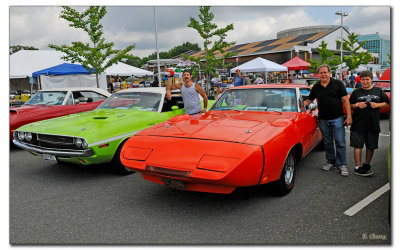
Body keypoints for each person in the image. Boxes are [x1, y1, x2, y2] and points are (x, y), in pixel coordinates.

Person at [304, 64, 352, 176]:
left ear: (330, 73)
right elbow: (309, 100)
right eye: (321, 73)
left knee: (340, 142)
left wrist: (349, 116)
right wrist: (297, 106)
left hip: (337, 118)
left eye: (325, 72)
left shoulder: (338, 84)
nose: (323, 74)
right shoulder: (316, 87)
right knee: (327, 142)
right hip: (323, 119)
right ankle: (331, 162)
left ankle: (342, 164)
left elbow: (345, 100)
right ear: (318, 74)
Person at [349, 70, 389, 176]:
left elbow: (387, 103)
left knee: (370, 146)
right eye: (363, 79)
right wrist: (357, 105)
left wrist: (377, 105)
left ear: (372, 79)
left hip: (373, 123)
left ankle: (367, 165)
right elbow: (350, 105)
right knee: (357, 146)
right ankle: (357, 167)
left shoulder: (379, 90)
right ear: (360, 80)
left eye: (367, 79)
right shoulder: (356, 92)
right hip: (358, 123)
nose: (365, 81)